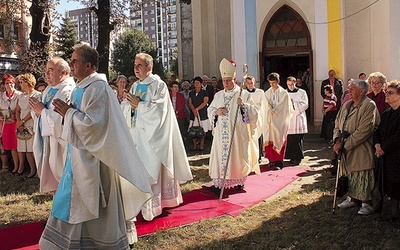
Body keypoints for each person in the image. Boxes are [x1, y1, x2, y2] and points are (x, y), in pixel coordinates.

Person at [39, 44, 153, 249]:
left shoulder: (98, 88)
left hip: (97, 161)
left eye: (75, 60)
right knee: (71, 201)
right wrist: (70, 114)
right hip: (78, 158)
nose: (71, 64)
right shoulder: (81, 87)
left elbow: (95, 127)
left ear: (89, 65)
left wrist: (69, 113)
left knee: (95, 207)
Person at [125, 52, 192, 221]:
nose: (136, 68)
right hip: (137, 135)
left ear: (149, 67)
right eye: (135, 65)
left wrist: (139, 105)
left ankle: (154, 206)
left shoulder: (158, 85)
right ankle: (140, 205)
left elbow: (160, 111)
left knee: (152, 169)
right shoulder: (134, 86)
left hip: (152, 137)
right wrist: (127, 105)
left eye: (140, 65)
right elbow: (129, 108)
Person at [206, 58, 259, 193]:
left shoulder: (243, 93)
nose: (226, 83)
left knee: (237, 157)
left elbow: (255, 112)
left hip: (237, 134)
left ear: (234, 79)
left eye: (229, 80)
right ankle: (219, 184)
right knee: (220, 158)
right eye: (224, 81)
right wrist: (216, 112)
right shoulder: (218, 95)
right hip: (221, 136)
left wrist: (244, 106)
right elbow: (210, 110)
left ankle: (239, 180)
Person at [334, 79, 380, 215]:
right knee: (350, 174)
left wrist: (345, 145)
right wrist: (337, 140)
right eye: (349, 88)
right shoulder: (347, 104)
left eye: (352, 89)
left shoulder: (369, 105)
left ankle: (367, 202)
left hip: (362, 147)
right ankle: (353, 198)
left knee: (363, 173)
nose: (349, 91)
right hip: (344, 145)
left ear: (362, 91)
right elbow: (337, 124)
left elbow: (364, 130)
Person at [29, 57, 75, 192]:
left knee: (63, 180)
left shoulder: (68, 90)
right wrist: (37, 111)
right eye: (46, 70)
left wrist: (42, 111)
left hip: (59, 143)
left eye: (51, 70)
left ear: (63, 73)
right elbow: (40, 112)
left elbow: (58, 120)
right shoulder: (49, 89)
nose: (47, 74)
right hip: (46, 139)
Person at [374, 79, 400, 221]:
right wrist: (378, 145)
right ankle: (393, 212)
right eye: (386, 92)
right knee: (390, 183)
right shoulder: (386, 113)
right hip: (386, 156)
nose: (386, 95)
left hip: (397, 155)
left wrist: (383, 147)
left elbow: (398, 137)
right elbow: (377, 131)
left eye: (390, 93)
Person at [264, 72, 294, 169]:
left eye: (274, 83)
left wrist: (274, 110)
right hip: (269, 121)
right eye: (270, 83)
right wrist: (268, 110)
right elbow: (264, 104)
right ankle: (271, 160)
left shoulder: (284, 93)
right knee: (269, 139)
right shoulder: (267, 93)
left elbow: (284, 107)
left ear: (278, 81)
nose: (272, 85)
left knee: (279, 139)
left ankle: (279, 161)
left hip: (280, 121)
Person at [14, 73, 41, 177]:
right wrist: (19, 121)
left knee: (33, 148)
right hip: (21, 123)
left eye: (22, 82)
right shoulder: (21, 96)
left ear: (28, 82)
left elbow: (34, 110)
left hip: (31, 122)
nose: (20, 84)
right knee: (25, 149)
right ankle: (32, 170)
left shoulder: (37, 95)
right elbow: (17, 110)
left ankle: (39, 170)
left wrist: (23, 121)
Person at [0, 74, 21, 174]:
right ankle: (13, 166)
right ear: (4, 84)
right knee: (10, 145)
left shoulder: (19, 95)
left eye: (11, 83)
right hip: (5, 124)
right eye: (7, 83)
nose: (10, 85)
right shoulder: (1, 96)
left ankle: (19, 166)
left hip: (16, 123)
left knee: (17, 146)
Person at [285, 76, 308, 164]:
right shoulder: (285, 93)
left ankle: (298, 157)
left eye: (291, 84)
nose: (290, 86)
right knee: (290, 139)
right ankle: (291, 157)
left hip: (298, 118)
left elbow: (305, 104)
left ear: (295, 83)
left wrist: (293, 104)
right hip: (289, 119)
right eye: (288, 85)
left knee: (297, 139)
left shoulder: (302, 92)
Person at [244, 75, 267, 163]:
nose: (250, 85)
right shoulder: (243, 92)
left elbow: (263, 104)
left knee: (258, 136)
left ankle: (259, 155)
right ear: (246, 83)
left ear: (255, 83)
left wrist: (255, 110)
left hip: (257, 117)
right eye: (248, 83)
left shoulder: (260, 92)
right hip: (247, 118)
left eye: (252, 83)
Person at [188, 76, 210, 151]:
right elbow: (190, 102)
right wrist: (194, 110)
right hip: (193, 114)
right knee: (193, 130)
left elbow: (205, 101)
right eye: (195, 83)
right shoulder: (191, 92)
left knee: (202, 130)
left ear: (201, 84)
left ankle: (201, 145)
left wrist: (197, 109)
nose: (196, 84)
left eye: (198, 83)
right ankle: (194, 145)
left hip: (202, 113)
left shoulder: (204, 92)